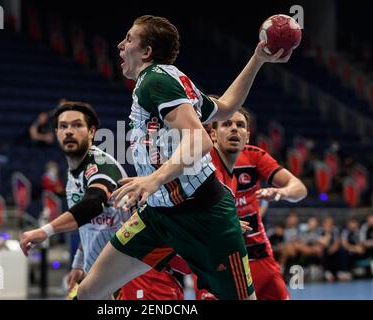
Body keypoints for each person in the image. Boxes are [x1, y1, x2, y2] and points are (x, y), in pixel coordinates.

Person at [21, 15, 291, 300]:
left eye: (128, 39)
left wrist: (154, 179)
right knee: (89, 291)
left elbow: (199, 139)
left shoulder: (155, 81)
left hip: (206, 217)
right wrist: (257, 59)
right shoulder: (170, 80)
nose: (120, 45)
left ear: (147, 51)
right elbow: (225, 107)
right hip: (159, 216)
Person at [21, 102, 185, 300]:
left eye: (77, 125)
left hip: (134, 277)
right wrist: (79, 263)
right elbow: (89, 223)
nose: (69, 131)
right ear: (56, 132)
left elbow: (93, 204)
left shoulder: (101, 164)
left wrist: (45, 231)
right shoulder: (73, 173)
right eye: (63, 126)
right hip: (107, 279)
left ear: (91, 132)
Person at [202, 108, 307, 300]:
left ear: (247, 136)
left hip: (258, 256)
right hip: (216, 261)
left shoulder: (254, 157)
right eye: (227, 124)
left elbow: (299, 189)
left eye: (240, 125)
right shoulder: (199, 163)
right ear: (213, 134)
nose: (234, 129)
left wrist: (281, 193)